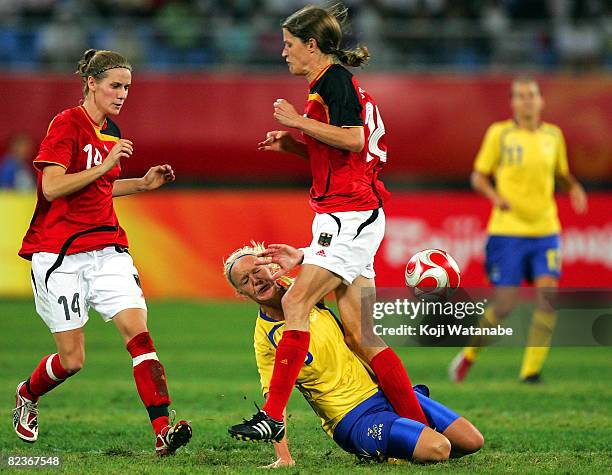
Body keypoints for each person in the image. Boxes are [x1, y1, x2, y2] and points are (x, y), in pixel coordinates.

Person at [229, 4, 430, 441]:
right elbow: (347, 151)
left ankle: (273, 416)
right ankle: (418, 422)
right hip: (351, 211)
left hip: (349, 213)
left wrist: (297, 122)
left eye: (289, 44)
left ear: (312, 45)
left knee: (296, 304)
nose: (284, 53)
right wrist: (296, 147)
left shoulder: (333, 81)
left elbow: (355, 138)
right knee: (361, 334)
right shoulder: (329, 84)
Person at [12, 49, 192, 455]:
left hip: (108, 247)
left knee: (140, 335)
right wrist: (108, 161)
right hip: (60, 253)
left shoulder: (110, 128)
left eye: (127, 86)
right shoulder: (66, 124)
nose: (123, 93)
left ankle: (162, 431)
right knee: (72, 360)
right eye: (115, 85)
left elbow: (100, 188)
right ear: (91, 83)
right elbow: (52, 187)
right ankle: (27, 393)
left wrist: (142, 184)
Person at [224, 243, 484, 466]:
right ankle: (382, 446)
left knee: (472, 441)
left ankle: (400, 433)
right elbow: (274, 402)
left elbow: (343, 265)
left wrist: (306, 255)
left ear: (270, 266)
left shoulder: (301, 291)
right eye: (245, 281)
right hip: (352, 418)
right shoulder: (265, 339)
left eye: (257, 270)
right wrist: (284, 456)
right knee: (438, 448)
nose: (255, 280)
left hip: (381, 391)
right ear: (240, 293)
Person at [449, 76, 588, 383]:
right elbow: (478, 176)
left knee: (547, 298)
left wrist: (574, 187)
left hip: (545, 229)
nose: (527, 100)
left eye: (531, 95)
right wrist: (495, 197)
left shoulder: (554, 135)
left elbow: (561, 174)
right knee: (505, 304)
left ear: (541, 101)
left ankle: (530, 372)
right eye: (521, 96)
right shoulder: (500, 134)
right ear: (513, 103)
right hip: (508, 230)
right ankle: (468, 355)